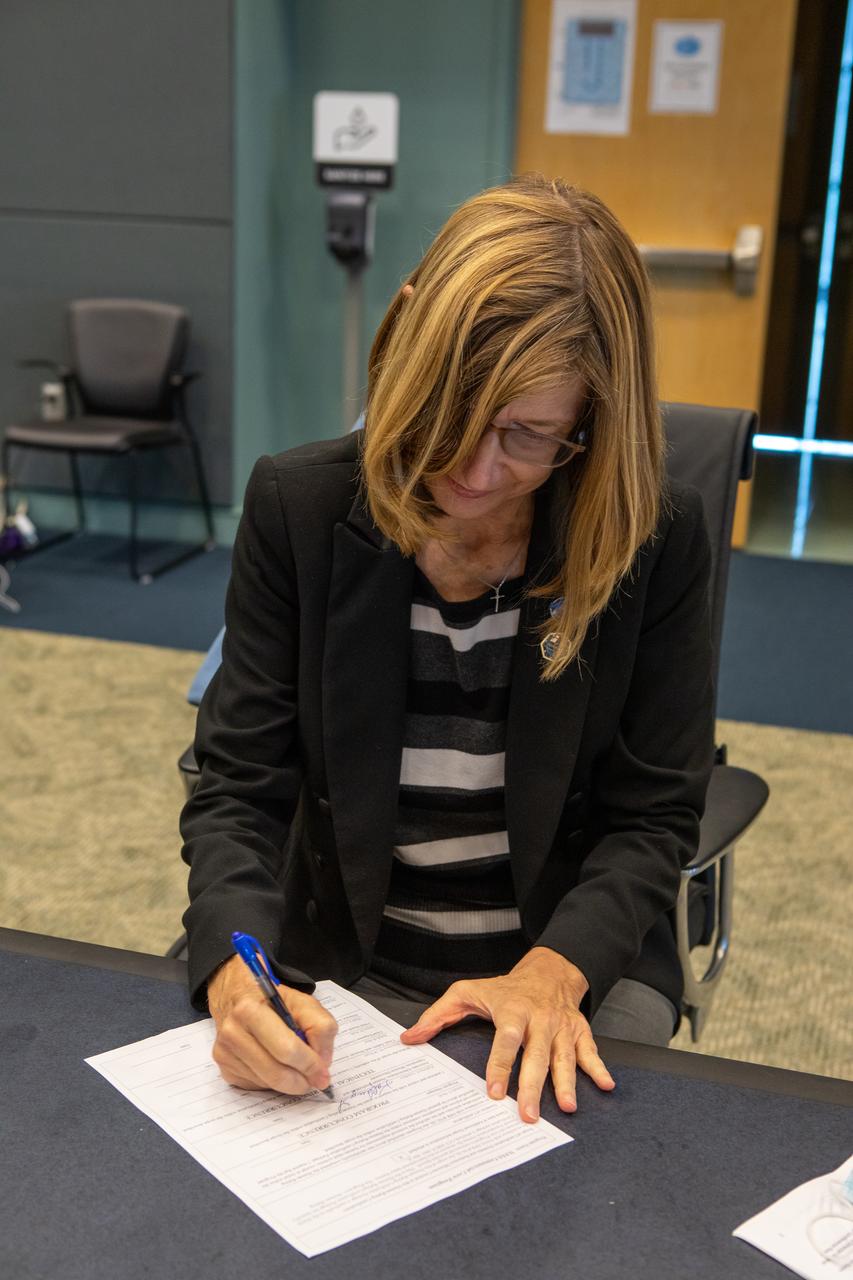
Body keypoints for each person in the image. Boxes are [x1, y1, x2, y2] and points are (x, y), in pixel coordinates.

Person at [180, 175, 714, 1124]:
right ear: (405, 348)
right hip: (344, 962)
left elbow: (653, 816)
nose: (471, 473)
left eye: (527, 436)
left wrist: (550, 975)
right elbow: (237, 787)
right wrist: (232, 966)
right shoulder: (297, 507)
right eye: (448, 415)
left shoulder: (653, 540)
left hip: (566, 962)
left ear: (591, 427)